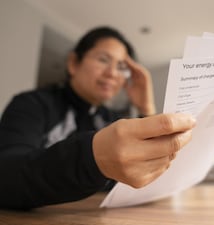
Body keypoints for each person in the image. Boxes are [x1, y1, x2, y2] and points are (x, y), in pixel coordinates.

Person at [0, 27, 195, 209]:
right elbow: (6, 175)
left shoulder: (112, 120)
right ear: (73, 63)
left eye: (121, 66)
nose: (112, 73)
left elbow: (148, 175)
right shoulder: (32, 105)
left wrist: (146, 107)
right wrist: (94, 157)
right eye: (103, 60)